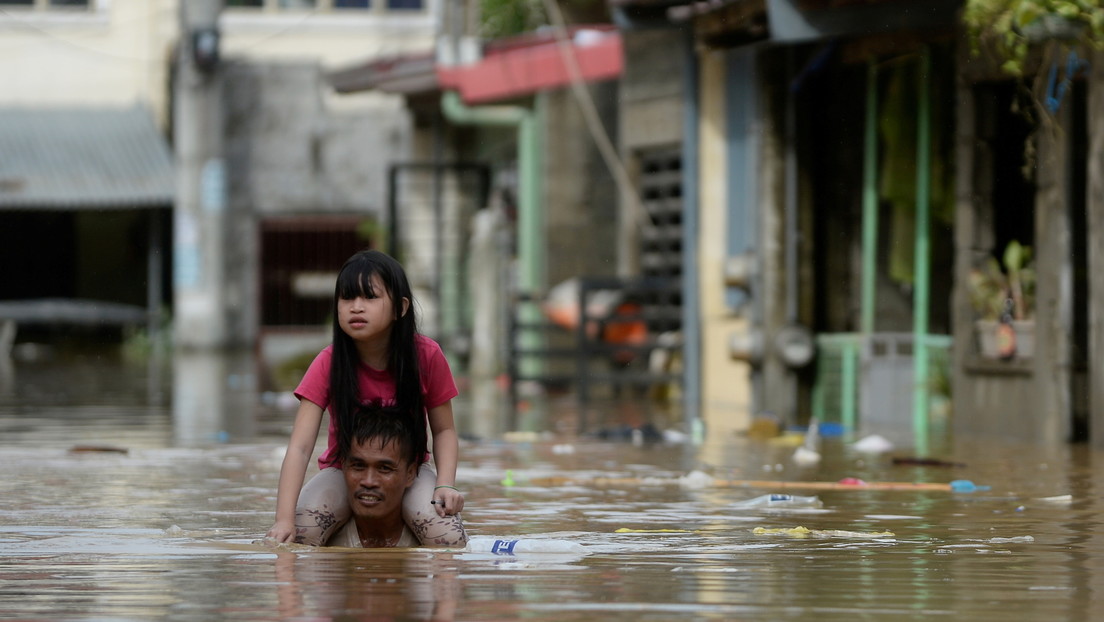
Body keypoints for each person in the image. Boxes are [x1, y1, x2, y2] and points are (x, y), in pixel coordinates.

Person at [265, 249, 467, 547]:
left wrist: (445, 484)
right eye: (347, 298)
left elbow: (444, 430)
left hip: (407, 472)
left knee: (448, 539)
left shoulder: (426, 356)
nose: (356, 308)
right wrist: (283, 520)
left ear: (400, 307)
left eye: (370, 297)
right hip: (343, 472)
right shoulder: (328, 363)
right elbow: (300, 446)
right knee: (300, 536)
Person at [326, 402, 422, 548]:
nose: (369, 481)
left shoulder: (432, 541)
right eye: (358, 466)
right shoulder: (320, 538)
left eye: (384, 468)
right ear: (343, 466)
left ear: (410, 474)